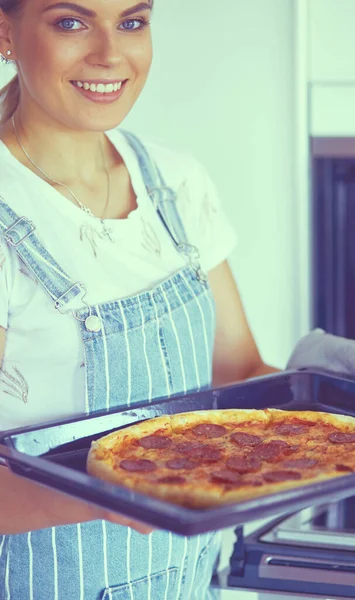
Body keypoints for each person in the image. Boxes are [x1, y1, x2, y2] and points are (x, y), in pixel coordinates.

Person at [0, 0, 280, 598]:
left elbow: (238, 375)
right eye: (71, 22)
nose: (111, 53)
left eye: (132, 22)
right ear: (5, 30)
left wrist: (350, 400)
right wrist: (113, 499)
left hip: (191, 581)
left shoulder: (175, 181)